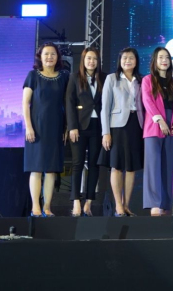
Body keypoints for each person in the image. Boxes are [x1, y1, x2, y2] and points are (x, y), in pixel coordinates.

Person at [22, 43, 69, 217]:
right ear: (40, 57)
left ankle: (47, 207)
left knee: (51, 169)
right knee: (36, 168)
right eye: (46, 54)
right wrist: (28, 127)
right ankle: (35, 207)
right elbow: (25, 103)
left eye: (53, 54)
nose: (50, 57)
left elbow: (68, 103)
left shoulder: (64, 77)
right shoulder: (33, 75)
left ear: (58, 57)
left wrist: (66, 127)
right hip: (36, 128)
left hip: (56, 127)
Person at [99, 47, 144, 217]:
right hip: (116, 126)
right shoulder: (112, 78)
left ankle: (126, 205)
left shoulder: (141, 80)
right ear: (120, 60)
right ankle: (118, 205)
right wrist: (106, 132)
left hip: (136, 125)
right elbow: (105, 107)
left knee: (131, 168)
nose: (127, 61)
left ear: (136, 61)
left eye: (131, 58)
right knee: (116, 166)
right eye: (124, 58)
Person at [141, 47, 173, 216]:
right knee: (153, 167)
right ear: (155, 60)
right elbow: (147, 101)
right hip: (154, 127)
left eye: (167, 57)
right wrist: (159, 120)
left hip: (171, 126)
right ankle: (154, 204)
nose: (164, 60)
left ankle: (165, 205)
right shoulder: (148, 80)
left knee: (167, 167)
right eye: (160, 57)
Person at [65, 47, 106, 217]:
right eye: (89, 58)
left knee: (95, 165)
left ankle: (89, 202)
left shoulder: (104, 78)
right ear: (83, 60)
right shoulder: (74, 77)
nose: (92, 61)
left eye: (95, 59)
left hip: (98, 126)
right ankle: (76, 201)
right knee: (78, 163)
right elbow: (69, 102)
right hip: (80, 126)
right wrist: (72, 126)